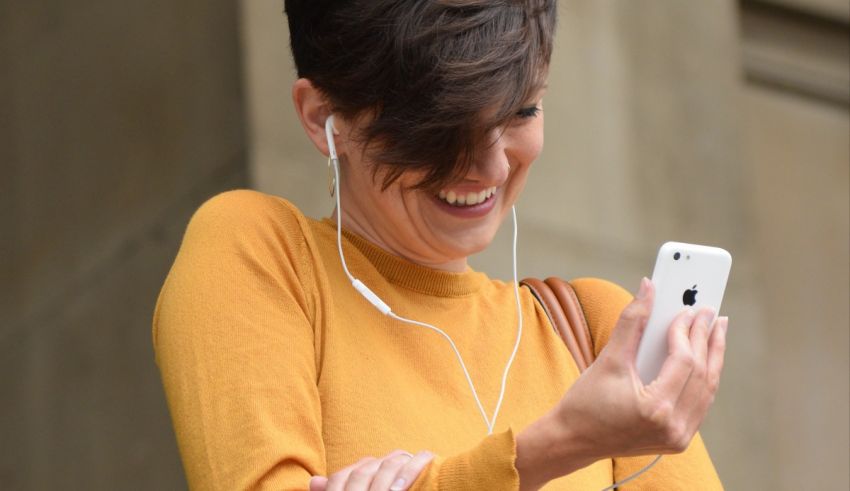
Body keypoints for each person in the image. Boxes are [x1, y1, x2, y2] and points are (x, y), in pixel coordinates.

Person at [152, 1, 728, 489]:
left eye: (521, 109)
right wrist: (557, 446)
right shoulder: (263, 253)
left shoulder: (598, 331)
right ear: (323, 116)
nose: (492, 165)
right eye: (442, 130)